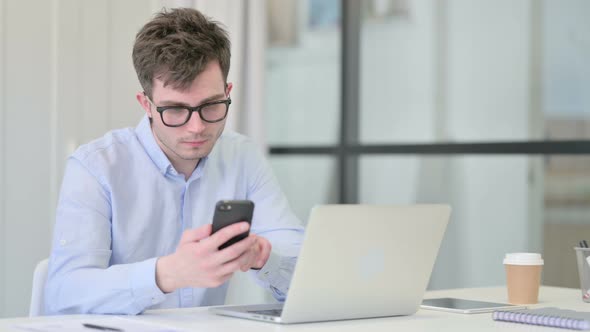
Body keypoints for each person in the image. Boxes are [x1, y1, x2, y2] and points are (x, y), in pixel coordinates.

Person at [45, 7, 304, 315]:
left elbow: (306, 274)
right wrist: (167, 274)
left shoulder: (242, 157)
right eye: (176, 110)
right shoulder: (96, 167)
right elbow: (64, 294)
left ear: (227, 92)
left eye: (210, 105)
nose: (196, 127)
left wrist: (265, 258)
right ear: (147, 105)